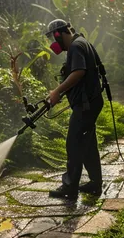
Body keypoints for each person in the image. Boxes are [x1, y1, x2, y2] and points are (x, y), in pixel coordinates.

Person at [44, 19, 104, 201]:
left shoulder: (76, 47)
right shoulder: (82, 42)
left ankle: (70, 187)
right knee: (87, 144)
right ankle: (95, 184)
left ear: (58, 34)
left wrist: (58, 90)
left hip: (86, 105)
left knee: (74, 143)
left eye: (52, 39)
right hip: (90, 102)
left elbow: (79, 72)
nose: (52, 44)